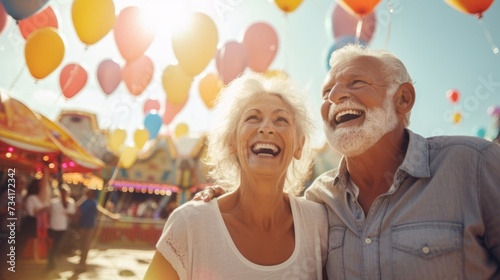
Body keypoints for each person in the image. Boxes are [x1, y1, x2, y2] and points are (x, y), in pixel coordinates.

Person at [195, 44, 500, 279]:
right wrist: (231, 202)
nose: (336, 96)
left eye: (356, 83)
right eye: (327, 91)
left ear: (403, 99)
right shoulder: (319, 201)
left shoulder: (474, 164)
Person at [144, 73, 328, 279]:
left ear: (299, 145)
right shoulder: (190, 224)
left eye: (281, 119)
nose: (267, 128)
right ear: (232, 141)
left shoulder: (319, 224)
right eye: (253, 117)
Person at [74, 188, 120, 272]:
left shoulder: (94, 203)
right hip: (82, 226)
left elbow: (102, 211)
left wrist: (112, 217)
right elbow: (76, 206)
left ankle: (82, 264)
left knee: (86, 246)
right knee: (81, 246)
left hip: (89, 227)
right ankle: (81, 262)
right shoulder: (84, 202)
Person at [45, 184, 75, 271]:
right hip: (52, 227)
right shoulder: (54, 202)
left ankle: (52, 265)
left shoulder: (70, 202)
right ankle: (50, 264)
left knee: (57, 246)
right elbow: (48, 214)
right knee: (51, 247)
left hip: (62, 228)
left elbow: (71, 214)